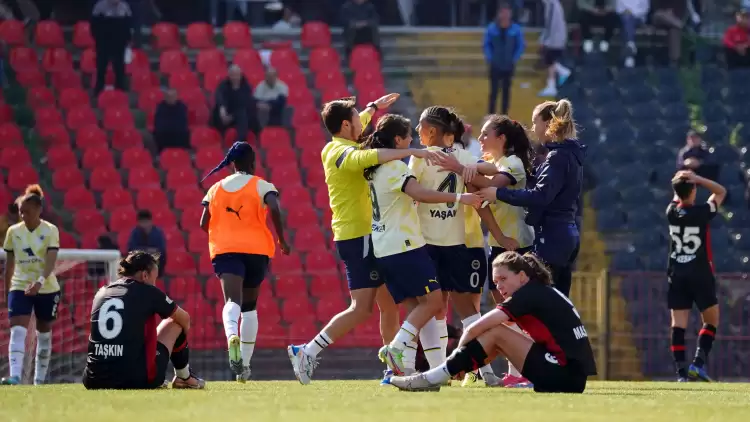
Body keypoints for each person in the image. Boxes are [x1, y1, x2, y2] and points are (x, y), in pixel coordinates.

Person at [286, 94, 442, 385]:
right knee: (362, 307)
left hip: (369, 236)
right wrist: (415, 153)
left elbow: (365, 133)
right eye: (358, 120)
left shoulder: (346, 138)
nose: (363, 124)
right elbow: (367, 156)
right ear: (346, 125)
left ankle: (395, 369)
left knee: (387, 306)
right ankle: (307, 351)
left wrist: (373, 108)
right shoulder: (336, 151)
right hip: (356, 236)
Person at [359, 114, 481, 377]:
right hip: (402, 245)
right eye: (408, 136)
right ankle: (397, 347)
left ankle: (411, 369)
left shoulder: (374, 167)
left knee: (417, 306)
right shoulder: (395, 168)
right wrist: (461, 197)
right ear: (397, 140)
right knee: (434, 300)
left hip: (384, 245)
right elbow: (421, 194)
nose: (413, 138)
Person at [387, 251, 597, 393]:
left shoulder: (528, 294)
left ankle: (433, 378)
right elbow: (493, 344)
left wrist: (455, 358)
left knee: (496, 331)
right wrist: (466, 363)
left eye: (504, 279)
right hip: (571, 377)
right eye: (496, 282)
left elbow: (474, 328)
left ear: (522, 276)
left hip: (563, 375)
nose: (500, 287)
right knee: (497, 335)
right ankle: (441, 375)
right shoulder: (539, 290)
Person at [438, 114, 536, 388]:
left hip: (520, 245)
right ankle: (515, 370)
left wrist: (462, 169)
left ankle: (527, 368)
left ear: (501, 138)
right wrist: (498, 236)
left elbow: (492, 189)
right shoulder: (493, 165)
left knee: (519, 311)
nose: (480, 139)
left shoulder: (513, 164)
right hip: (501, 244)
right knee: (505, 311)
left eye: (485, 134)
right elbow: (479, 200)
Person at [407, 106, 502, 384]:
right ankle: (483, 372)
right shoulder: (459, 155)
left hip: (428, 244)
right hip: (455, 243)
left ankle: (443, 371)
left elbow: (414, 194)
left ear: (432, 131)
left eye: (421, 128)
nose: (417, 133)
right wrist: (469, 168)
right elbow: (492, 168)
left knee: (436, 308)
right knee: (467, 312)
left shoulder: (420, 159)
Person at [200, 141, 290, 382]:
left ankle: (231, 336)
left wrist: (224, 231)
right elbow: (274, 207)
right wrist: (282, 239)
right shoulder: (262, 185)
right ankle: (245, 368)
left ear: (231, 164)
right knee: (250, 308)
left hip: (226, 249)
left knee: (232, 301)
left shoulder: (216, 188)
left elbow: (202, 223)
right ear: (252, 162)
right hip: (256, 250)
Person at [477, 100, 585, 298]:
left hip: (552, 237)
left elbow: (541, 195)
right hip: (565, 233)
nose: (534, 129)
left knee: (542, 302)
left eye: (535, 122)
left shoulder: (558, 156)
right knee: (559, 301)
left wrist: (499, 193)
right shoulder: (569, 154)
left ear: (547, 124)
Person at [82, 250, 205, 389]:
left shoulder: (101, 292)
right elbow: (185, 319)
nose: (155, 283)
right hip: (136, 380)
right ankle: (184, 377)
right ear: (145, 275)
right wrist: (182, 341)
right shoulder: (149, 292)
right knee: (175, 322)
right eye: (155, 278)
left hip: (93, 379)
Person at [667, 170, 726, 382]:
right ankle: (698, 364)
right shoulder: (702, 212)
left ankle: (681, 374)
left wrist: (682, 179)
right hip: (700, 272)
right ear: (693, 190)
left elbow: (677, 194)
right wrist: (700, 179)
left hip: (677, 273)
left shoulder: (671, 211)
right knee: (711, 321)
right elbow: (721, 192)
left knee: (678, 324)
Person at [1, 186, 60, 386]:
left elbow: (51, 261)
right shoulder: (13, 232)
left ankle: (39, 381)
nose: (22, 215)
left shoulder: (50, 230)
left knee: (43, 334)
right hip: (20, 285)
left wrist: (39, 283)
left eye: (26, 211)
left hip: (46, 287)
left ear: (38, 209)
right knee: (18, 329)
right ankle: (16, 376)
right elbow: (9, 265)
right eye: (20, 211)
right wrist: (7, 291)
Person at [483, 3, 525, 115]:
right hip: (495, 64)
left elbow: (520, 45)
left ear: (510, 14)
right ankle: (490, 114)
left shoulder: (515, 29)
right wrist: (490, 58)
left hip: (508, 64)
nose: (505, 15)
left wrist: (514, 58)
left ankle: (504, 115)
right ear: (499, 14)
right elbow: (486, 44)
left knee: (506, 91)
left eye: (507, 12)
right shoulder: (492, 28)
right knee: (494, 91)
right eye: (503, 12)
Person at [91, 0, 132, 94]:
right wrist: (98, 39)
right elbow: (94, 26)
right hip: (103, 42)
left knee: (119, 67)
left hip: (119, 43)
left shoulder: (124, 7)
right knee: (101, 67)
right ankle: (99, 90)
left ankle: (120, 90)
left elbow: (128, 25)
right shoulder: (100, 6)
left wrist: (127, 39)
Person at [211, 65, 260, 143]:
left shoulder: (246, 87)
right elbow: (220, 97)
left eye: (237, 75)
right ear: (229, 76)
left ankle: (240, 141)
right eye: (232, 75)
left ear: (241, 75)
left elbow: (247, 104)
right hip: (225, 116)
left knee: (243, 113)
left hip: (241, 116)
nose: (235, 77)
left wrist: (233, 116)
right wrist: (222, 109)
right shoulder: (224, 85)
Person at [537, 0, 571, 98]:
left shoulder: (551, 4)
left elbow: (550, 25)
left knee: (549, 59)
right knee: (550, 60)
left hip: (555, 37)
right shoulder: (552, 4)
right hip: (555, 36)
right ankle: (559, 75)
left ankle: (553, 84)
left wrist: (544, 40)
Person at [127, 210, 167, 278]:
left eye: (146, 222)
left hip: (155, 262)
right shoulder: (135, 232)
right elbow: (132, 248)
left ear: (151, 221)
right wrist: (148, 250)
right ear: (139, 222)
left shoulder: (158, 232)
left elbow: (161, 250)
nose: (144, 224)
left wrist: (143, 250)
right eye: (142, 222)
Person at [153, 88, 190, 153]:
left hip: (178, 133)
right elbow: (159, 123)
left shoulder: (181, 106)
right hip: (164, 133)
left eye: (173, 96)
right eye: (169, 96)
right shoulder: (160, 107)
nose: (171, 99)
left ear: (176, 97)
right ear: (165, 97)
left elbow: (183, 122)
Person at [616, 0, 650, 68]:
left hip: (638, 18)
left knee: (627, 22)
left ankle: (630, 46)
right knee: (626, 20)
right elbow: (618, 8)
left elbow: (645, 9)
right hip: (623, 18)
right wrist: (624, 12)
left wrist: (632, 13)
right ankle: (630, 49)